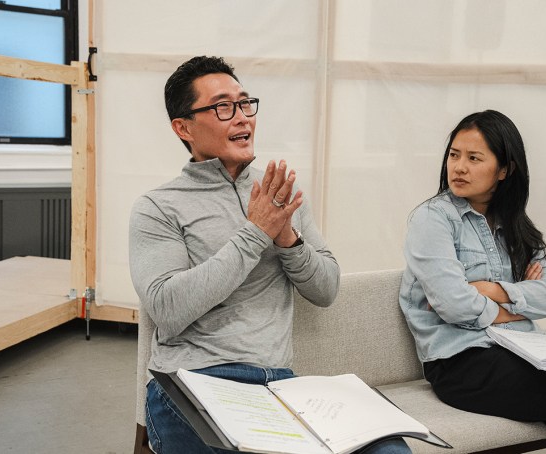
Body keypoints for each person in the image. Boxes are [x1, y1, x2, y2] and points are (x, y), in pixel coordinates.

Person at [129, 56, 412, 454]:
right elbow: (167, 308)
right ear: (183, 127)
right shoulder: (157, 207)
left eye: (245, 104)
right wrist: (256, 231)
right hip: (193, 383)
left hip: (277, 385)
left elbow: (326, 288)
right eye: (223, 107)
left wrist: (287, 238)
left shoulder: (279, 194)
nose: (243, 117)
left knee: (389, 450)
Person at [399, 109, 546, 453]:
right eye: (454, 155)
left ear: (504, 170)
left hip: (528, 354)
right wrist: (520, 306)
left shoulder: (517, 226)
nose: (459, 167)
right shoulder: (433, 219)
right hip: (463, 365)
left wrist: (488, 290)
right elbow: (454, 305)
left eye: (474, 158)